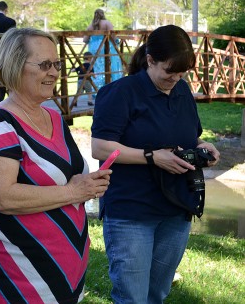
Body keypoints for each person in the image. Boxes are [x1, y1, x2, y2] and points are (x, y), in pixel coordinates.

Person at [0, 27, 112, 303]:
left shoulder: (54, 116)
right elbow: (1, 196)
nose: (55, 72)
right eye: (44, 64)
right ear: (15, 66)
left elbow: (68, 177)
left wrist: (89, 185)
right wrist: (74, 192)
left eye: (57, 64)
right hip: (12, 281)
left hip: (62, 279)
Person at [90, 24, 220, 303]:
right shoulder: (120, 92)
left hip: (177, 208)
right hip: (131, 211)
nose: (175, 78)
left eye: (182, 72)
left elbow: (190, 137)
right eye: (169, 71)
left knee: (156, 295)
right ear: (150, 60)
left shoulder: (182, 90)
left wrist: (202, 148)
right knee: (133, 298)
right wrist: (151, 156)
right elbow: (100, 147)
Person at [83, 8, 122, 88]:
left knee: (96, 68)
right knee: (109, 66)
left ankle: (96, 89)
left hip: (93, 49)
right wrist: (117, 41)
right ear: (103, 14)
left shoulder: (90, 25)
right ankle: (109, 87)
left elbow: (85, 40)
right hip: (106, 47)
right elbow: (113, 35)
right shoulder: (107, 23)